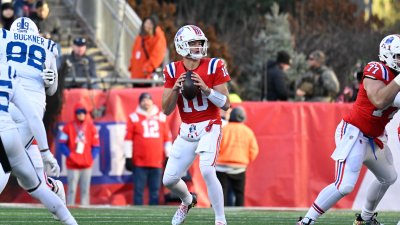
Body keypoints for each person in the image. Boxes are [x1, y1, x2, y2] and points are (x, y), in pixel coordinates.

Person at [296, 34, 400, 225]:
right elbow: (379, 100)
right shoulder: (376, 69)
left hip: (375, 137)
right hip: (355, 132)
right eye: (399, 56)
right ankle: (307, 220)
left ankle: (365, 219)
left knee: (389, 177)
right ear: (387, 55)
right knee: (344, 186)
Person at [162, 25, 230, 225]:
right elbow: (166, 109)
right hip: (187, 129)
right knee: (169, 180)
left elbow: (226, 103)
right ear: (182, 45)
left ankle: (220, 220)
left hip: (210, 125)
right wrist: (175, 89)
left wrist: (207, 90)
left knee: (207, 170)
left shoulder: (213, 66)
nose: (198, 47)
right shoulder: (172, 70)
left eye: (200, 43)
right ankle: (187, 200)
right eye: (193, 43)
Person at [0, 17, 67, 218]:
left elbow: (52, 88)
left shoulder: (4, 38)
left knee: (5, 163)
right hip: (18, 107)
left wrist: (51, 81)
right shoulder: (47, 45)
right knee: (29, 177)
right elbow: (52, 89)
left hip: (21, 108)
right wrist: (51, 81)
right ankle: (53, 188)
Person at [0, 63, 77, 225]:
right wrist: (46, 152)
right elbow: (34, 117)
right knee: (38, 187)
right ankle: (70, 221)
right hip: (11, 134)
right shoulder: (8, 72)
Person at [123, 92, 172, 205]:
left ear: (152, 101)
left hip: (157, 161)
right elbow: (128, 139)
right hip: (139, 161)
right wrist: (128, 157)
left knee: (155, 191)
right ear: (140, 103)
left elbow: (167, 138)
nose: (146, 102)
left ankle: (153, 218)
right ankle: (137, 217)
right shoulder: (134, 117)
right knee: (138, 191)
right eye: (143, 100)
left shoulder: (161, 117)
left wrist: (168, 155)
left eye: (148, 99)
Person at [58, 103, 100, 206]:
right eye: (78, 112)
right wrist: (70, 156)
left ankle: (86, 211)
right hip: (73, 165)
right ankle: (69, 210)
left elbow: (96, 146)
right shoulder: (68, 127)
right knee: (71, 189)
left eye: (83, 112)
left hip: (86, 165)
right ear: (75, 114)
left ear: (86, 114)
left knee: (85, 190)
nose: (81, 114)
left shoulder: (91, 127)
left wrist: (91, 157)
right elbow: (62, 144)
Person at [216, 106, 258, 206]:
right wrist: (245, 160)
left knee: (222, 194)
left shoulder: (224, 129)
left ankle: (221, 217)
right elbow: (254, 150)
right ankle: (240, 215)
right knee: (239, 194)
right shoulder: (248, 132)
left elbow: (216, 147)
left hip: (222, 167)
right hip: (240, 168)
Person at [128, 16, 167, 86]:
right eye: (146, 23)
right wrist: (132, 66)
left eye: (150, 24)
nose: (147, 26)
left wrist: (147, 68)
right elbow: (134, 53)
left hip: (147, 76)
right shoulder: (140, 38)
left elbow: (157, 55)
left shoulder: (158, 37)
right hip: (136, 75)